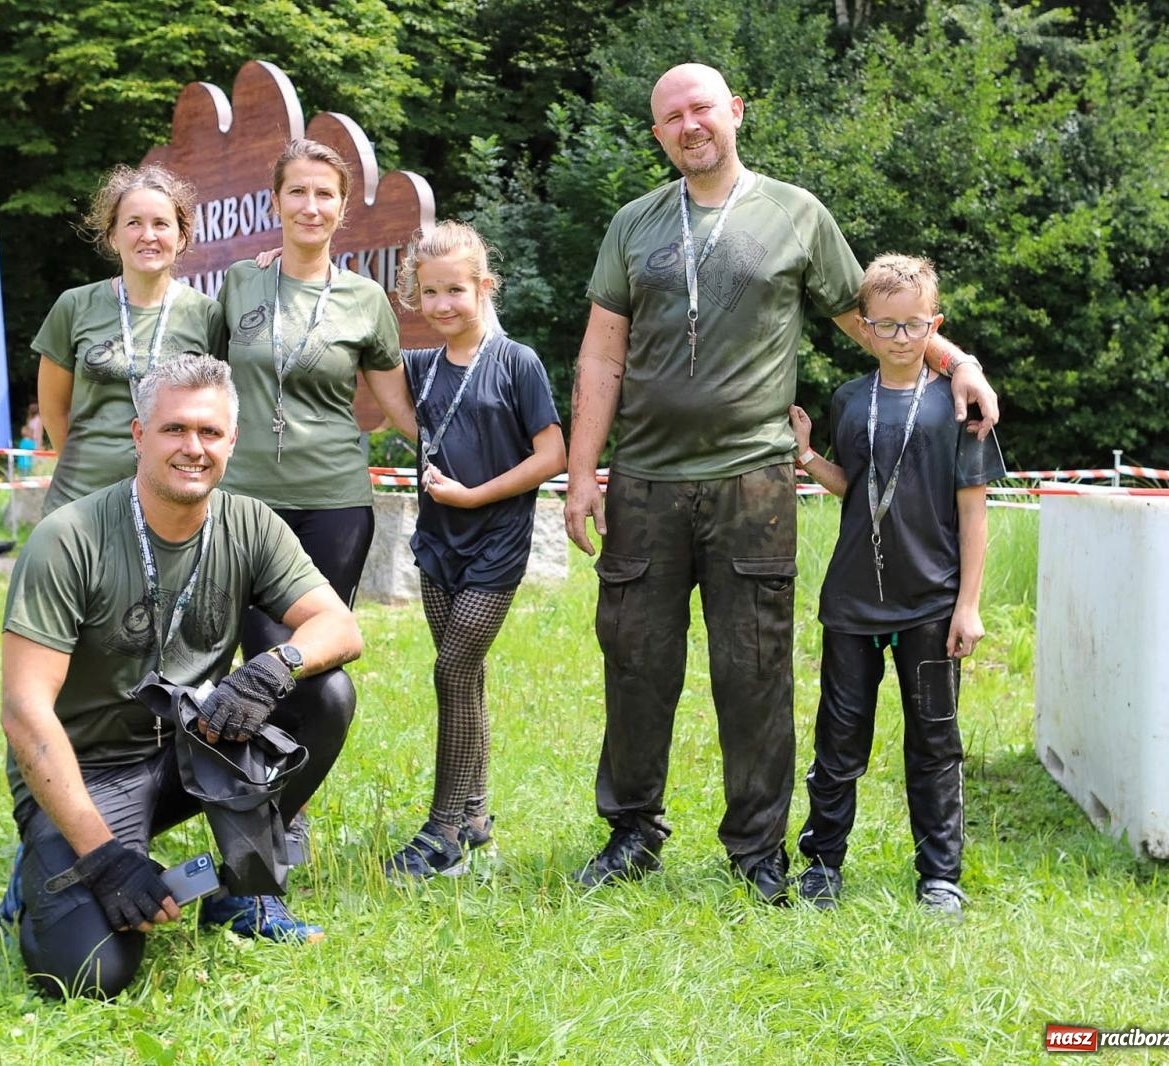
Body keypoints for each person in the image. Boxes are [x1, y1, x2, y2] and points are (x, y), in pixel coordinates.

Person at [564, 62, 1000, 903]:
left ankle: (757, 850)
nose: (689, 126)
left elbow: (874, 322)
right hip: (645, 482)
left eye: (701, 108)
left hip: (753, 483)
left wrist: (960, 362)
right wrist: (583, 474)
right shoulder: (633, 224)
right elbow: (601, 353)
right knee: (636, 663)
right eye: (670, 117)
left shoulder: (797, 213)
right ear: (657, 134)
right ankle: (631, 833)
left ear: (734, 111)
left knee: (755, 670)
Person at [0, 356, 363, 998]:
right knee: (89, 975)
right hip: (87, 771)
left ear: (232, 441)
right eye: (174, 429)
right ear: (139, 435)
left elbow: (340, 627)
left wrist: (271, 669)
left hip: (196, 747)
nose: (193, 447)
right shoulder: (69, 538)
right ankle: (47, 858)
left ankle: (242, 891)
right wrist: (104, 858)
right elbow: (25, 711)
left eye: (210, 432)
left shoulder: (251, 524)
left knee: (324, 693)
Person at [217, 138, 419, 862]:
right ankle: (249, 797)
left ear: (342, 209)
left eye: (324, 194)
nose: (310, 206)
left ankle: (287, 809)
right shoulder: (240, 283)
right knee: (256, 655)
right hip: (243, 504)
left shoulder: (366, 300)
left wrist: (487, 461)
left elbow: (402, 410)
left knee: (309, 661)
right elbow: (201, 379)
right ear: (276, 201)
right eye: (297, 191)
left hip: (334, 503)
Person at [790, 254, 1002, 918]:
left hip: (931, 605)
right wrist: (807, 455)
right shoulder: (850, 400)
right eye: (886, 325)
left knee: (935, 742)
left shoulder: (958, 406)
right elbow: (855, 488)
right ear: (864, 327)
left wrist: (968, 606)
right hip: (852, 602)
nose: (901, 337)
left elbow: (973, 510)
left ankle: (940, 877)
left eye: (914, 325)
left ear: (934, 324)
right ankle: (823, 864)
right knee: (839, 740)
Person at [380, 221, 566, 880]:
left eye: (455, 290)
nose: (442, 305)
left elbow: (552, 454)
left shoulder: (517, 362)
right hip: (438, 543)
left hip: (495, 542)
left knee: (453, 671)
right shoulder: (420, 366)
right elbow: (370, 366)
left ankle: (442, 834)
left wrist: (474, 496)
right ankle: (477, 816)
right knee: (465, 679)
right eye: (429, 292)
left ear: (483, 287)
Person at [34, 164, 227, 516]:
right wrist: (86, 464)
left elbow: (217, 412)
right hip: (80, 498)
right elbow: (53, 408)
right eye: (134, 223)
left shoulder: (207, 315)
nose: (148, 235)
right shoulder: (74, 306)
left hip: (169, 505)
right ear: (113, 236)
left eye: (161, 224)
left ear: (181, 237)